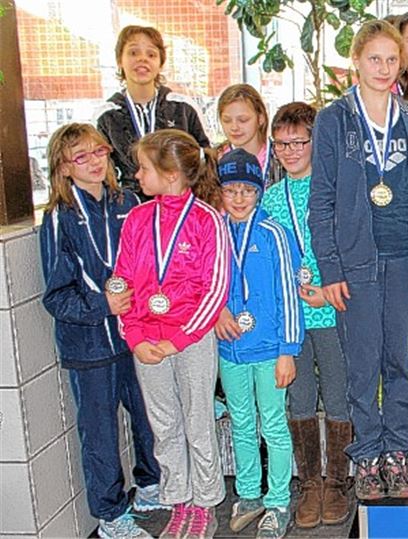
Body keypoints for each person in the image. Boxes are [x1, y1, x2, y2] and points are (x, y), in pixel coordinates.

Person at [308, 20, 408, 501]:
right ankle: (367, 455)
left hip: (407, 261)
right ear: (356, 61)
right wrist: (330, 269)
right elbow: (321, 201)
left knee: (400, 363)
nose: (385, 69)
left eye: (392, 59)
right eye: (375, 59)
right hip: (357, 267)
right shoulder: (333, 120)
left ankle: (398, 453)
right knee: (363, 365)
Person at [39, 124, 160, 539]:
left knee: (148, 417)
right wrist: (101, 305)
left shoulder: (128, 202)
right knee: (101, 433)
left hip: (135, 335)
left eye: (99, 151)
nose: (93, 162)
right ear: (63, 167)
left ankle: (150, 486)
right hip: (89, 345)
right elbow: (56, 296)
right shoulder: (59, 217)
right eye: (81, 156)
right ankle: (111, 515)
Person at [113, 129, 229, 539]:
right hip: (147, 343)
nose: (137, 176)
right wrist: (135, 336)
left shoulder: (207, 220)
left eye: (144, 168)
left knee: (198, 422)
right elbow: (123, 281)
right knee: (163, 425)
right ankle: (178, 500)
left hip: (191, 340)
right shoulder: (137, 220)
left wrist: (177, 339)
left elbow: (215, 289)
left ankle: (205, 503)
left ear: (171, 174)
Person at [262, 103, 353, 528]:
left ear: (316, 142)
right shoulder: (269, 199)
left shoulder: (335, 189)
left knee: (338, 395)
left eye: (299, 141)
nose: (291, 150)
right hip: (292, 321)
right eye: (282, 144)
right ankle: (310, 484)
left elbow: (352, 248)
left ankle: (337, 482)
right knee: (299, 399)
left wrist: (329, 294)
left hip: (331, 312)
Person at [215, 149, 302, 538]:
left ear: (259, 191)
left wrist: (288, 351)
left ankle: (279, 500)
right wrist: (217, 312)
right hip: (230, 349)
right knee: (241, 423)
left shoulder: (273, 234)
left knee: (273, 424)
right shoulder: (215, 232)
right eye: (230, 190)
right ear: (220, 191)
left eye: (247, 190)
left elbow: (289, 296)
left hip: (269, 350)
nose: (238, 198)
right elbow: (206, 283)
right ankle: (249, 493)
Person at [96, 26, 209, 196]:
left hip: (179, 206)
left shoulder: (183, 108)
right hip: (129, 207)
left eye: (151, 54)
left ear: (160, 63)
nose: (142, 59)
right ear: (120, 60)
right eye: (133, 53)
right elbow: (102, 173)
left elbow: (204, 160)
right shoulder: (106, 116)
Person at [217, 84, 279, 188]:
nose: (234, 127)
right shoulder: (214, 161)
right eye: (226, 120)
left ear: (261, 118)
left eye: (243, 120)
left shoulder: (282, 157)